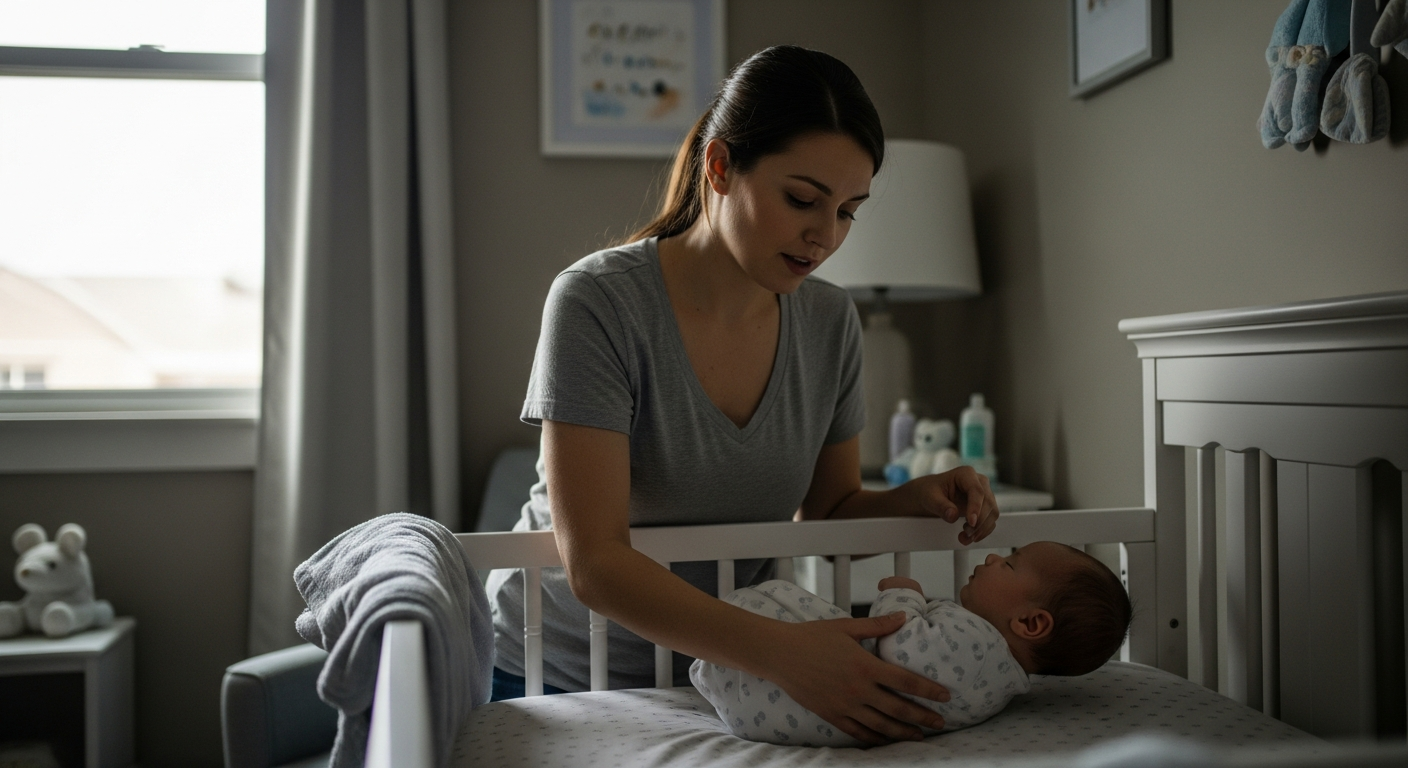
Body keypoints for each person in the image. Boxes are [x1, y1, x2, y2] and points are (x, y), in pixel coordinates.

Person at [485, 44, 1001, 745]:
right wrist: (783, 651)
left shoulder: (827, 321)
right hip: (559, 668)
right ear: (720, 167)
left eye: (849, 211)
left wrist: (922, 495)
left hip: (727, 674)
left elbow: (830, 508)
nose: (824, 236)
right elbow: (596, 563)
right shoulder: (598, 303)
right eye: (802, 200)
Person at [691, 542, 1133, 747]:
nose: (995, 558)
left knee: (776, 597)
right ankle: (712, 670)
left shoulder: (981, 645)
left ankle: (712, 664)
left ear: (1031, 623)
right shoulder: (998, 681)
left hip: (787, 695)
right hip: (769, 711)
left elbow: (902, 644)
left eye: (1012, 564)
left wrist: (905, 593)